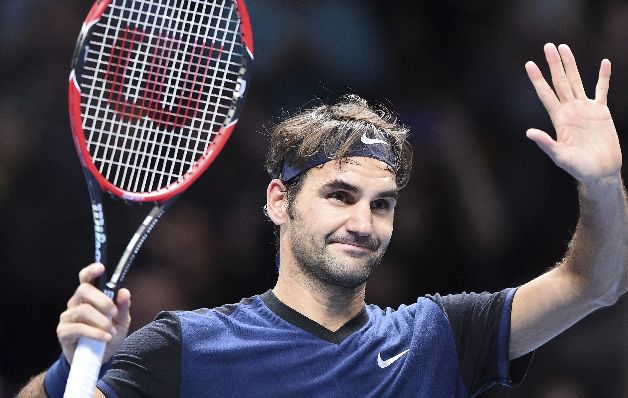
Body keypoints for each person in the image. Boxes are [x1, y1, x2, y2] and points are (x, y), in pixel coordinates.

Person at [18, 43, 626, 397]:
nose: (363, 220)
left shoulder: (436, 338)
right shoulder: (187, 347)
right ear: (279, 201)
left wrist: (601, 187)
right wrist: (71, 367)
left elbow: (592, 284)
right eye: (340, 195)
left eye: (381, 203)